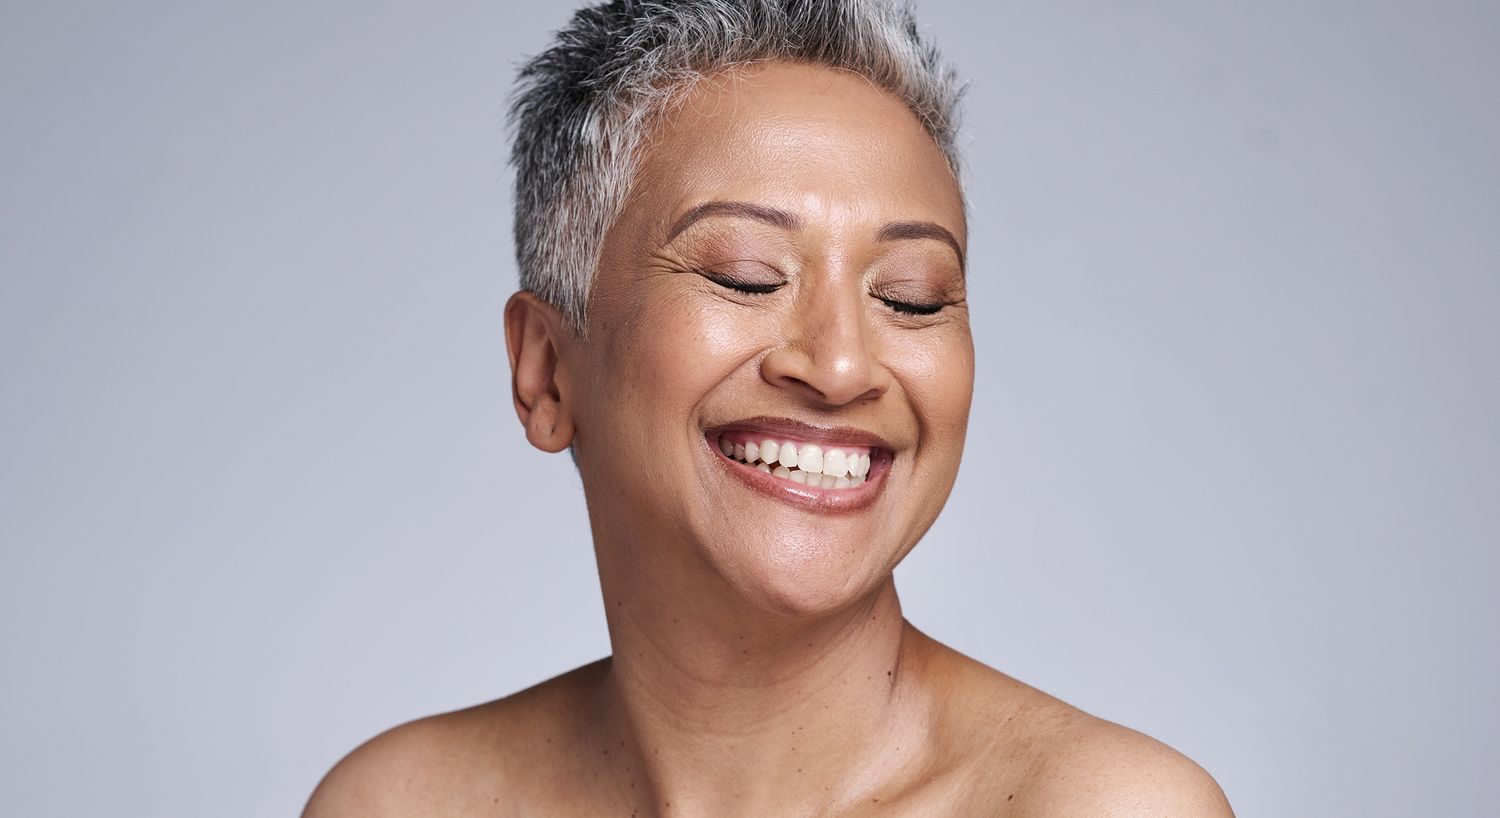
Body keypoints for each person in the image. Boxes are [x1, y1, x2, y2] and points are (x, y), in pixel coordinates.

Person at [305, 1, 1235, 815]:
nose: (838, 365)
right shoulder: (392, 804)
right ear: (547, 372)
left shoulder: (1101, 809)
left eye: (911, 296)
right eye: (745, 276)